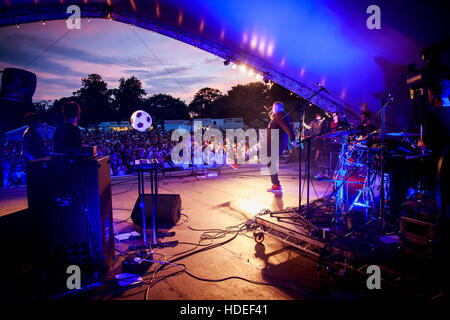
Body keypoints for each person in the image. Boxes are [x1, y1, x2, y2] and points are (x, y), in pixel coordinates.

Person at [266, 101, 297, 195]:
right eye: (273, 107)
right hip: (273, 143)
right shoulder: (277, 116)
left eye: (274, 107)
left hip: (276, 143)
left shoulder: (280, 115)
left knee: (271, 162)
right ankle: (276, 184)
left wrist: (292, 139)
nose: (273, 109)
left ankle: (276, 185)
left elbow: (287, 127)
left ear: (279, 108)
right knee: (270, 162)